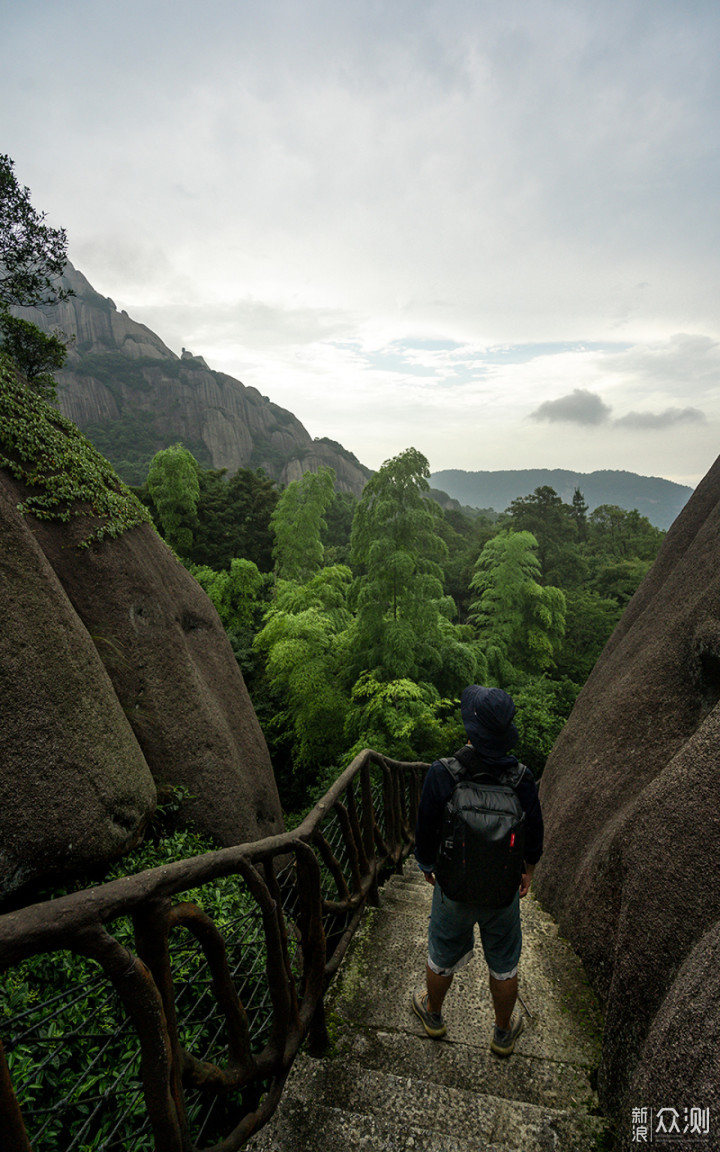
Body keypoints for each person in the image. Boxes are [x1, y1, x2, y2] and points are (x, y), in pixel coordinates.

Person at [411, 684, 544, 1056]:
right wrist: (527, 872)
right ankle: (502, 1034)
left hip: (453, 887)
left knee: (441, 951)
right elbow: (534, 832)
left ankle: (433, 1015)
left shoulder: (444, 773)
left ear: (471, 731)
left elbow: (425, 826)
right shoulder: (521, 779)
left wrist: (427, 864)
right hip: (502, 892)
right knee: (504, 962)